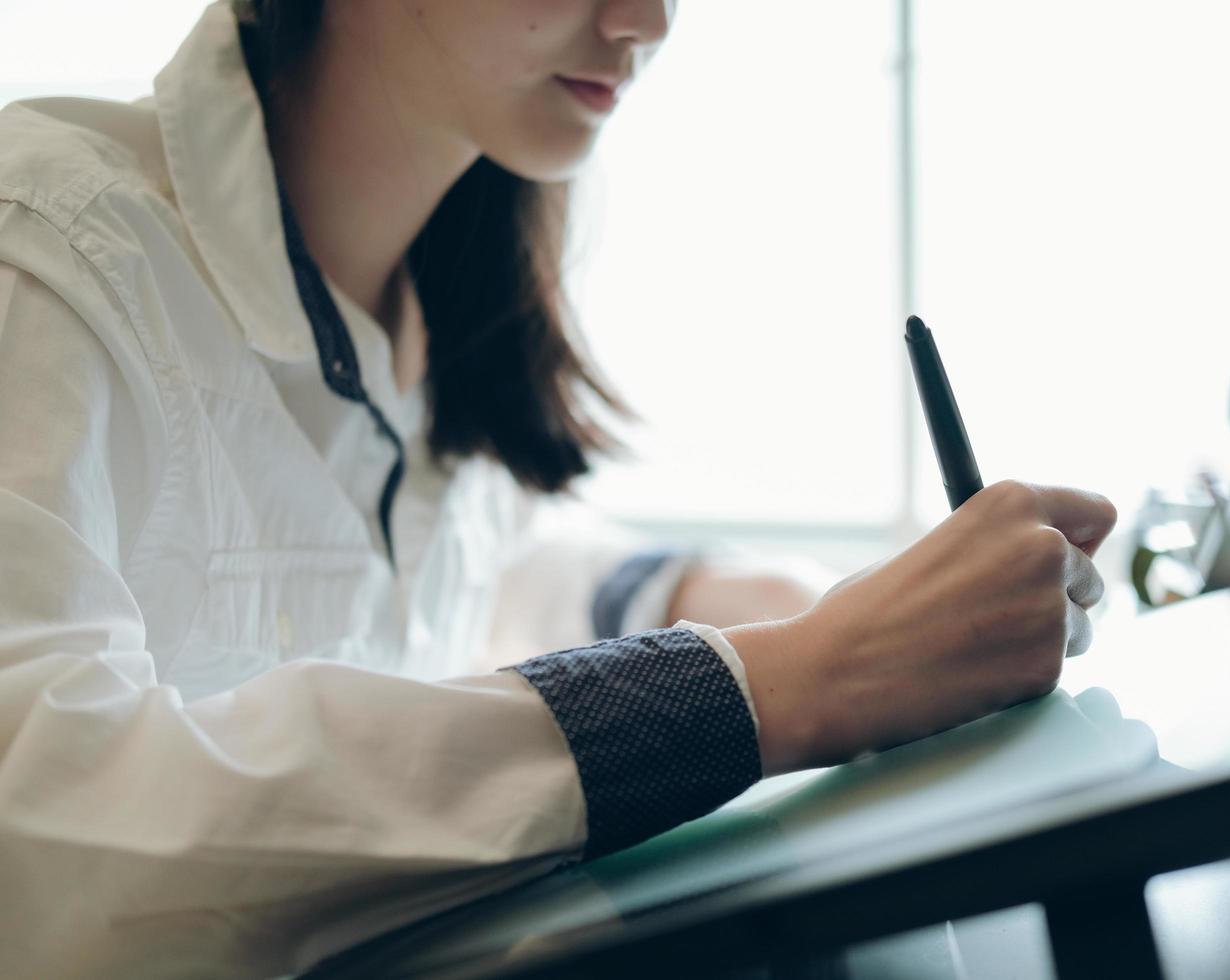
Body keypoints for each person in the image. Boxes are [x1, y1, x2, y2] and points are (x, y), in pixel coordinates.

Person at [0, 1, 1116, 975]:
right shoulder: (50, 255)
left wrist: (729, 594)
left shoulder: (425, 302)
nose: (647, 20)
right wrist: (791, 680)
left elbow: (477, 574)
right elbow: (45, 850)